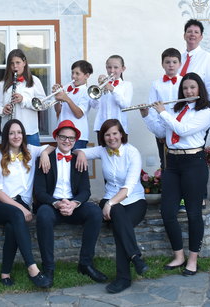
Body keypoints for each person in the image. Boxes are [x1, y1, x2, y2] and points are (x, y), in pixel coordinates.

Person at [142, 73, 210, 276]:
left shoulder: (205, 112)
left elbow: (183, 130)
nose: (188, 91)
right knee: (167, 211)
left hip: (193, 163)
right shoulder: (176, 109)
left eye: (192, 88)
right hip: (172, 162)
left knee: (193, 213)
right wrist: (147, 115)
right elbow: (162, 133)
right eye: (185, 88)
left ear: (199, 90)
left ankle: (193, 259)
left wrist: (163, 112)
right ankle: (178, 255)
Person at [76, 119, 147, 294]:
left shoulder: (132, 153)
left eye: (114, 133)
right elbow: (76, 150)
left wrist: (109, 203)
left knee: (119, 225)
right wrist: (81, 154)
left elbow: (128, 187)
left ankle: (124, 277)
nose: (111, 137)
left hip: (134, 201)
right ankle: (135, 258)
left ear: (121, 134)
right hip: (110, 201)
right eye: (107, 134)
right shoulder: (102, 151)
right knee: (118, 216)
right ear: (103, 137)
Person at [34, 120, 106, 285]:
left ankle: (85, 264)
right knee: (43, 215)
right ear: (57, 138)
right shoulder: (45, 159)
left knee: (95, 212)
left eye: (71, 138)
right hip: (52, 205)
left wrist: (74, 204)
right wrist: (56, 203)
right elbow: (39, 192)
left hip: (73, 205)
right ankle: (48, 268)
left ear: (75, 141)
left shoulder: (78, 159)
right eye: (63, 137)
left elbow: (85, 191)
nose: (67, 141)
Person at [0, 119, 52, 288]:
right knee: (16, 215)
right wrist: (22, 209)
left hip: (20, 204)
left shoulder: (31, 151)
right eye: (12, 133)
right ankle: (32, 268)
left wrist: (44, 153)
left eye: (19, 132)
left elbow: (52, 146)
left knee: (12, 226)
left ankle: (5, 272)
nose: (16, 136)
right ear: (6, 136)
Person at [0, 48, 45, 145]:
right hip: (9, 132)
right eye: (12, 63)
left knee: (33, 159)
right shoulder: (3, 83)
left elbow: (43, 103)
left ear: (24, 62)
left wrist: (24, 100)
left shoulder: (34, 81)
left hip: (29, 131)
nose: (15, 66)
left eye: (18, 62)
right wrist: (3, 110)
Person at [147, 47, 182, 169]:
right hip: (162, 130)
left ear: (180, 64)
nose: (171, 65)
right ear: (162, 64)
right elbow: (152, 108)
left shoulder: (184, 83)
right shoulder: (156, 84)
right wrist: (159, 132)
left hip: (179, 129)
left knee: (181, 161)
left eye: (174, 62)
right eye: (167, 62)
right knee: (165, 163)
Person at [52, 60, 93, 150]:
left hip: (78, 136)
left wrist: (67, 99)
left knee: (76, 163)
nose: (73, 76)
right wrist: (57, 98)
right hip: (62, 133)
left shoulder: (87, 92)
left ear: (87, 76)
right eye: (72, 73)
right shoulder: (67, 89)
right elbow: (58, 110)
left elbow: (79, 114)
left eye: (77, 74)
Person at [179, 19, 210, 106]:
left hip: (198, 107)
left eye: (196, 32)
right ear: (184, 35)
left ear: (201, 37)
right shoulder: (179, 59)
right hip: (179, 106)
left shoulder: (207, 58)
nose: (192, 34)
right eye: (189, 31)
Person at [90, 55, 133, 134]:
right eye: (109, 67)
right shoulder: (103, 84)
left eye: (116, 67)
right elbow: (94, 106)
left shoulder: (127, 85)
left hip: (119, 128)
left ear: (123, 69)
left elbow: (126, 105)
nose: (112, 70)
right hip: (101, 127)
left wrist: (112, 89)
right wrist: (99, 87)